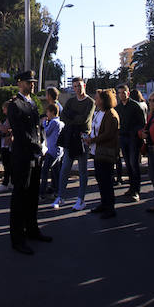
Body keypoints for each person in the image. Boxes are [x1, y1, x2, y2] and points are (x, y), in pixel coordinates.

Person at [8, 70, 51, 255]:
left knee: (33, 196)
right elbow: (20, 133)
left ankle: (32, 229)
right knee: (20, 197)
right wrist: (36, 146)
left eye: (33, 81)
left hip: (35, 156)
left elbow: (37, 128)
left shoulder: (33, 103)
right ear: (19, 83)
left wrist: (42, 143)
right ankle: (17, 238)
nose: (32, 84)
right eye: (28, 82)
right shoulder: (15, 105)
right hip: (23, 156)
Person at [54, 77, 95, 210]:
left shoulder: (90, 102)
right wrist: (74, 117)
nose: (77, 88)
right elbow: (63, 117)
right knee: (65, 167)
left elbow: (84, 119)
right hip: (70, 137)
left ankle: (81, 199)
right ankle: (60, 196)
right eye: (75, 86)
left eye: (79, 85)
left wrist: (72, 117)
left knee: (82, 170)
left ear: (84, 86)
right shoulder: (70, 101)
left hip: (83, 137)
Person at [87, 89, 120, 219]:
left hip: (106, 152)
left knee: (106, 180)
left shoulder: (111, 114)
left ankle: (110, 208)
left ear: (103, 100)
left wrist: (92, 140)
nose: (95, 99)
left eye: (97, 98)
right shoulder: (99, 112)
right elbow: (95, 128)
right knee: (100, 179)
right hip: (97, 151)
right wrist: (90, 137)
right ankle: (104, 203)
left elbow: (108, 134)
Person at [115, 84, 144, 202]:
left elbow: (142, 123)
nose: (122, 95)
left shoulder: (135, 106)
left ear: (128, 92)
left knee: (134, 164)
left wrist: (134, 132)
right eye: (119, 93)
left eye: (123, 92)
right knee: (128, 164)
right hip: (123, 138)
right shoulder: (118, 108)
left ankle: (136, 190)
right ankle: (131, 188)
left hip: (133, 139)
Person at [39, 103, 64, 199]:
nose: (46, 114)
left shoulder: (54, 122)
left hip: (52, 151)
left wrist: (44, 123)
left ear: (52, 112)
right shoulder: (60, 122)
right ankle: (57, 191)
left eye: (48, 112)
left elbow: (46, 132)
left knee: (45, 171)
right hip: (58, 151)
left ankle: (42, 192)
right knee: (55, 172)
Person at [0, 100, 13, 192]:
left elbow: (5, 130)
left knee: (7, 164)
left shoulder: (9, 119)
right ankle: (10, 181)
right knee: (8, 164)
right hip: (7, 142)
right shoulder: (10, 118)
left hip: (7, 143)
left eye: (4, 109)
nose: (3, 111)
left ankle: (6, 182)